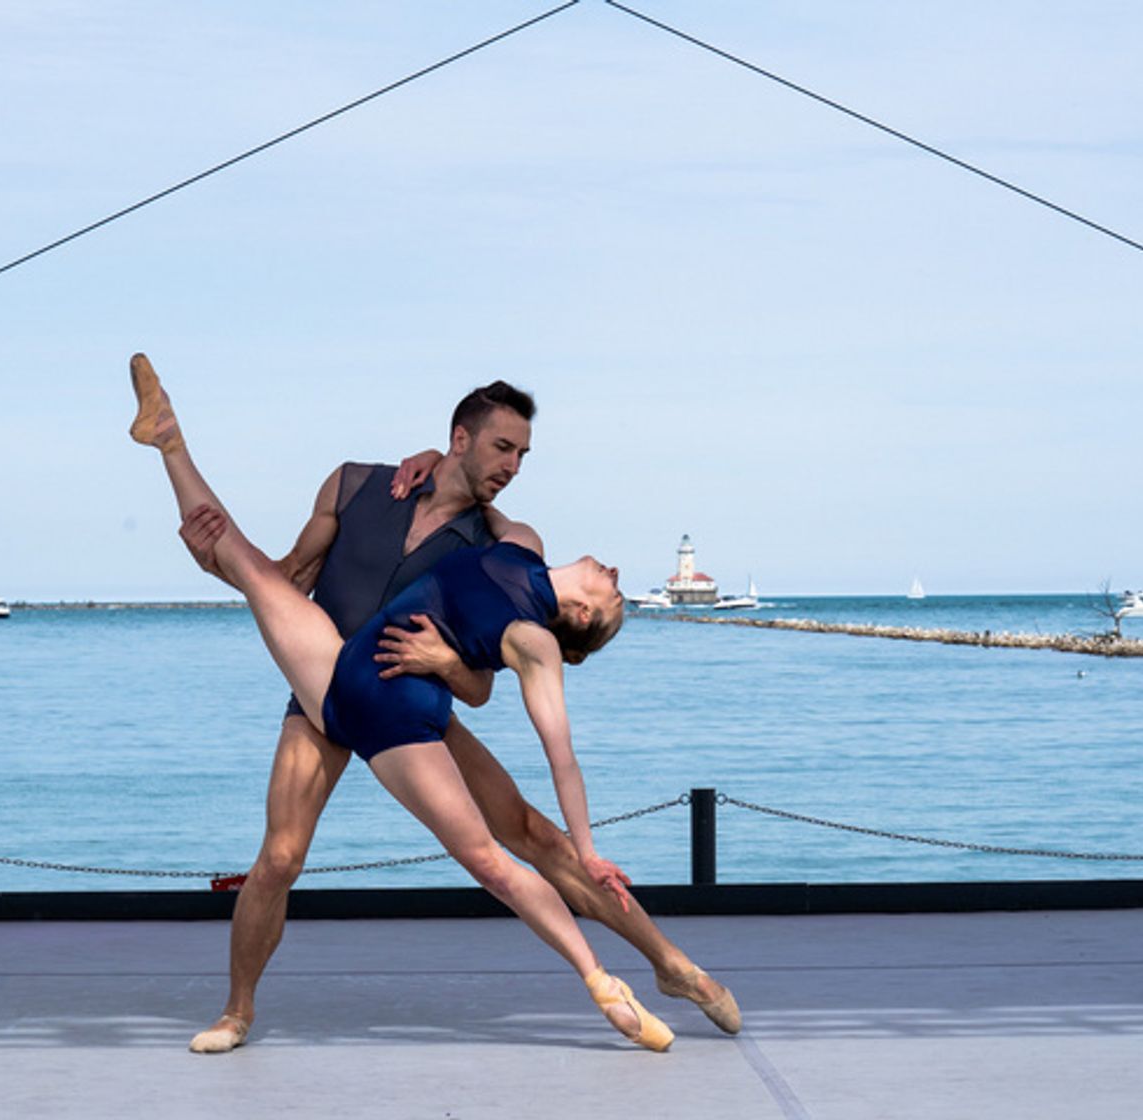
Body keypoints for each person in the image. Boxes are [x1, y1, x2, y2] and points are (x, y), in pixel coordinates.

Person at [130, 353, 740, 1051]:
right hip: (325, 685)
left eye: (522, 454)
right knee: (279, 858)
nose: (513, 464)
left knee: (536, 837)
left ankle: (667, 962)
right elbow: (289, 576)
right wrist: (212, 558)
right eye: (502, 447)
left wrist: (446, 661)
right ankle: (238, 1012)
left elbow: (479, 687)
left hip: (416, 704)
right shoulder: (357, 485)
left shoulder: (495, 540)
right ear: (460, 438)